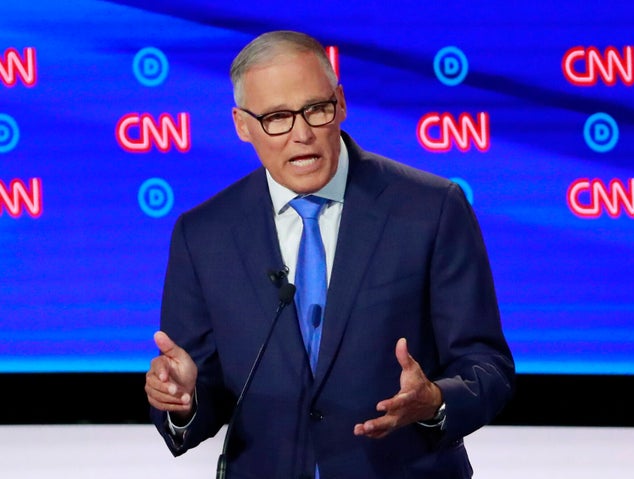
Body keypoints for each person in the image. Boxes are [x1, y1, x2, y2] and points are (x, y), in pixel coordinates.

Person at [145, 30, 515, 479]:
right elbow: (205, 388)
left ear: (339, 103)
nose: (301, 134)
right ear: (242, 125)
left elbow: (487, 365)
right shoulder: (203, 234)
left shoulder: (431, 209)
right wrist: (184, 401)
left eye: (316, 109)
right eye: (277, 117)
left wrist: (435, 401)